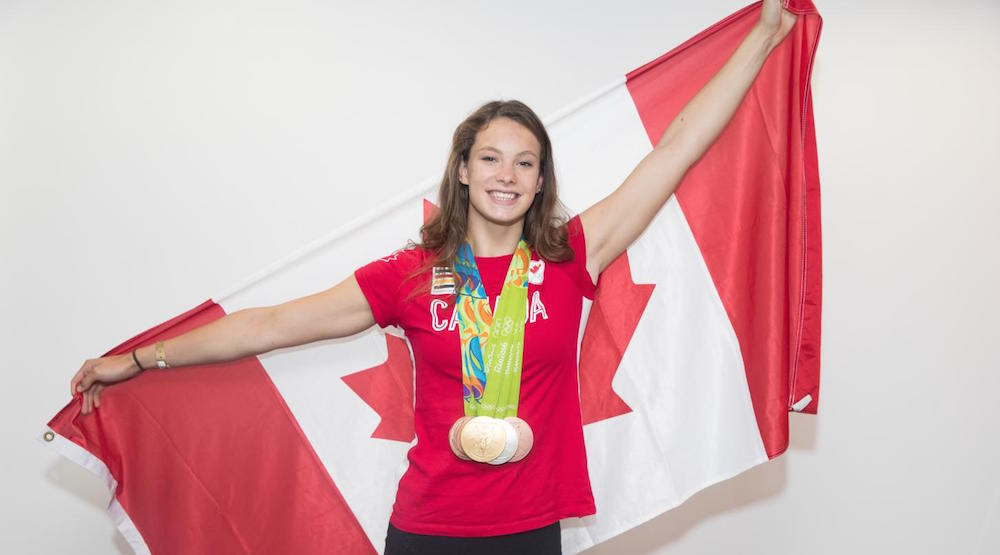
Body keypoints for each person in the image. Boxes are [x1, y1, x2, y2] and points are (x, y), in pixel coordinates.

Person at [69, 2, 797, 553]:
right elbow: (271, 324)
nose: (505, 175)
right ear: (462, 169)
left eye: (523, 162)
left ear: (542, 179)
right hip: (427, 530)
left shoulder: (572, 255)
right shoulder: (411, 275)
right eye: (489, 157)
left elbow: (674, 150)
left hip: (533, 529)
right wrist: (135, 358)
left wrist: (763, 32)